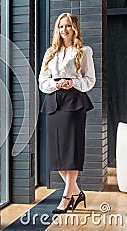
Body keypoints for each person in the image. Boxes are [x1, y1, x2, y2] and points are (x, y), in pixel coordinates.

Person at [38, 12, 96, 214]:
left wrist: (73, 83)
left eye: (68, 26)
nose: (64, 30)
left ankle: (66, 197)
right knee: (58, 154)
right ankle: (77, 192)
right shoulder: (50, 52)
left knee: (71, 151)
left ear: (75, 28)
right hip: (54, 102)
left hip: (74, 102)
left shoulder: (84, 51)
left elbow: (90, 80)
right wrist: (56, 84)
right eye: (61, 26)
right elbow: (42, 81)